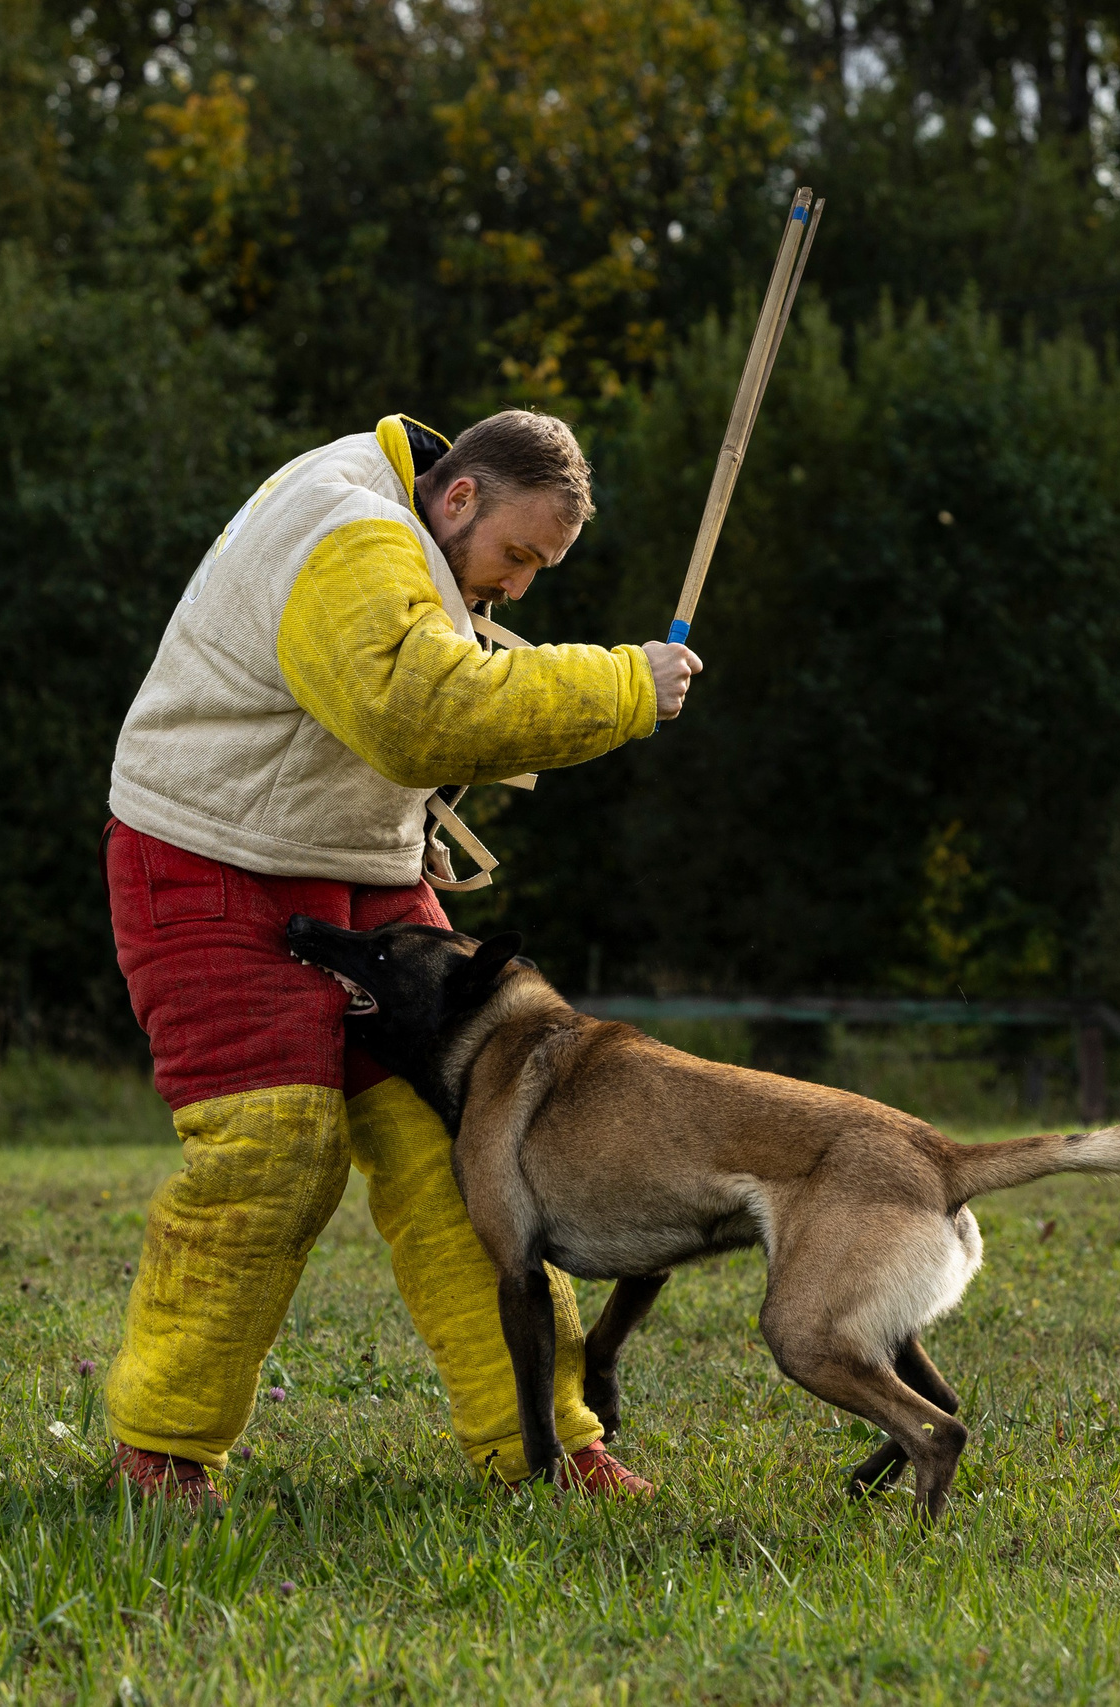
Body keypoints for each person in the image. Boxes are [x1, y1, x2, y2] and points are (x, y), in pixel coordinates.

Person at [99, 409, 701, 1502]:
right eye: (518, 556)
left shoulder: (412, 532)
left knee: (473, 1152)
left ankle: (550, 1445)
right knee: (272, 1150)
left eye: (540, 569)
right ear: (458, 496)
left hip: (364, 870)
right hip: (208, 861)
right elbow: (414, 711)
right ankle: (163, 1452)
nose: (518, 589)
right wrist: (623, 687)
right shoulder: (350, 530)